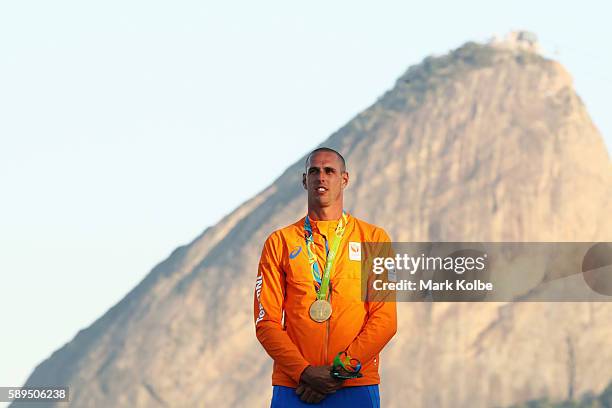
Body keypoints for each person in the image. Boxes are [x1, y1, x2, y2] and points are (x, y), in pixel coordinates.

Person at [253, 147, 397, 407]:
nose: (321, 177)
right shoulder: (279, 242)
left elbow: (385, 319)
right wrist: (304, 372)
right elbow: (266, 322)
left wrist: (337, 373)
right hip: (295, 388)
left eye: (330, 171)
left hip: (355, 384)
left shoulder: (374, 239)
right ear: (304, 180)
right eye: (314, 171)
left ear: (344, 179)